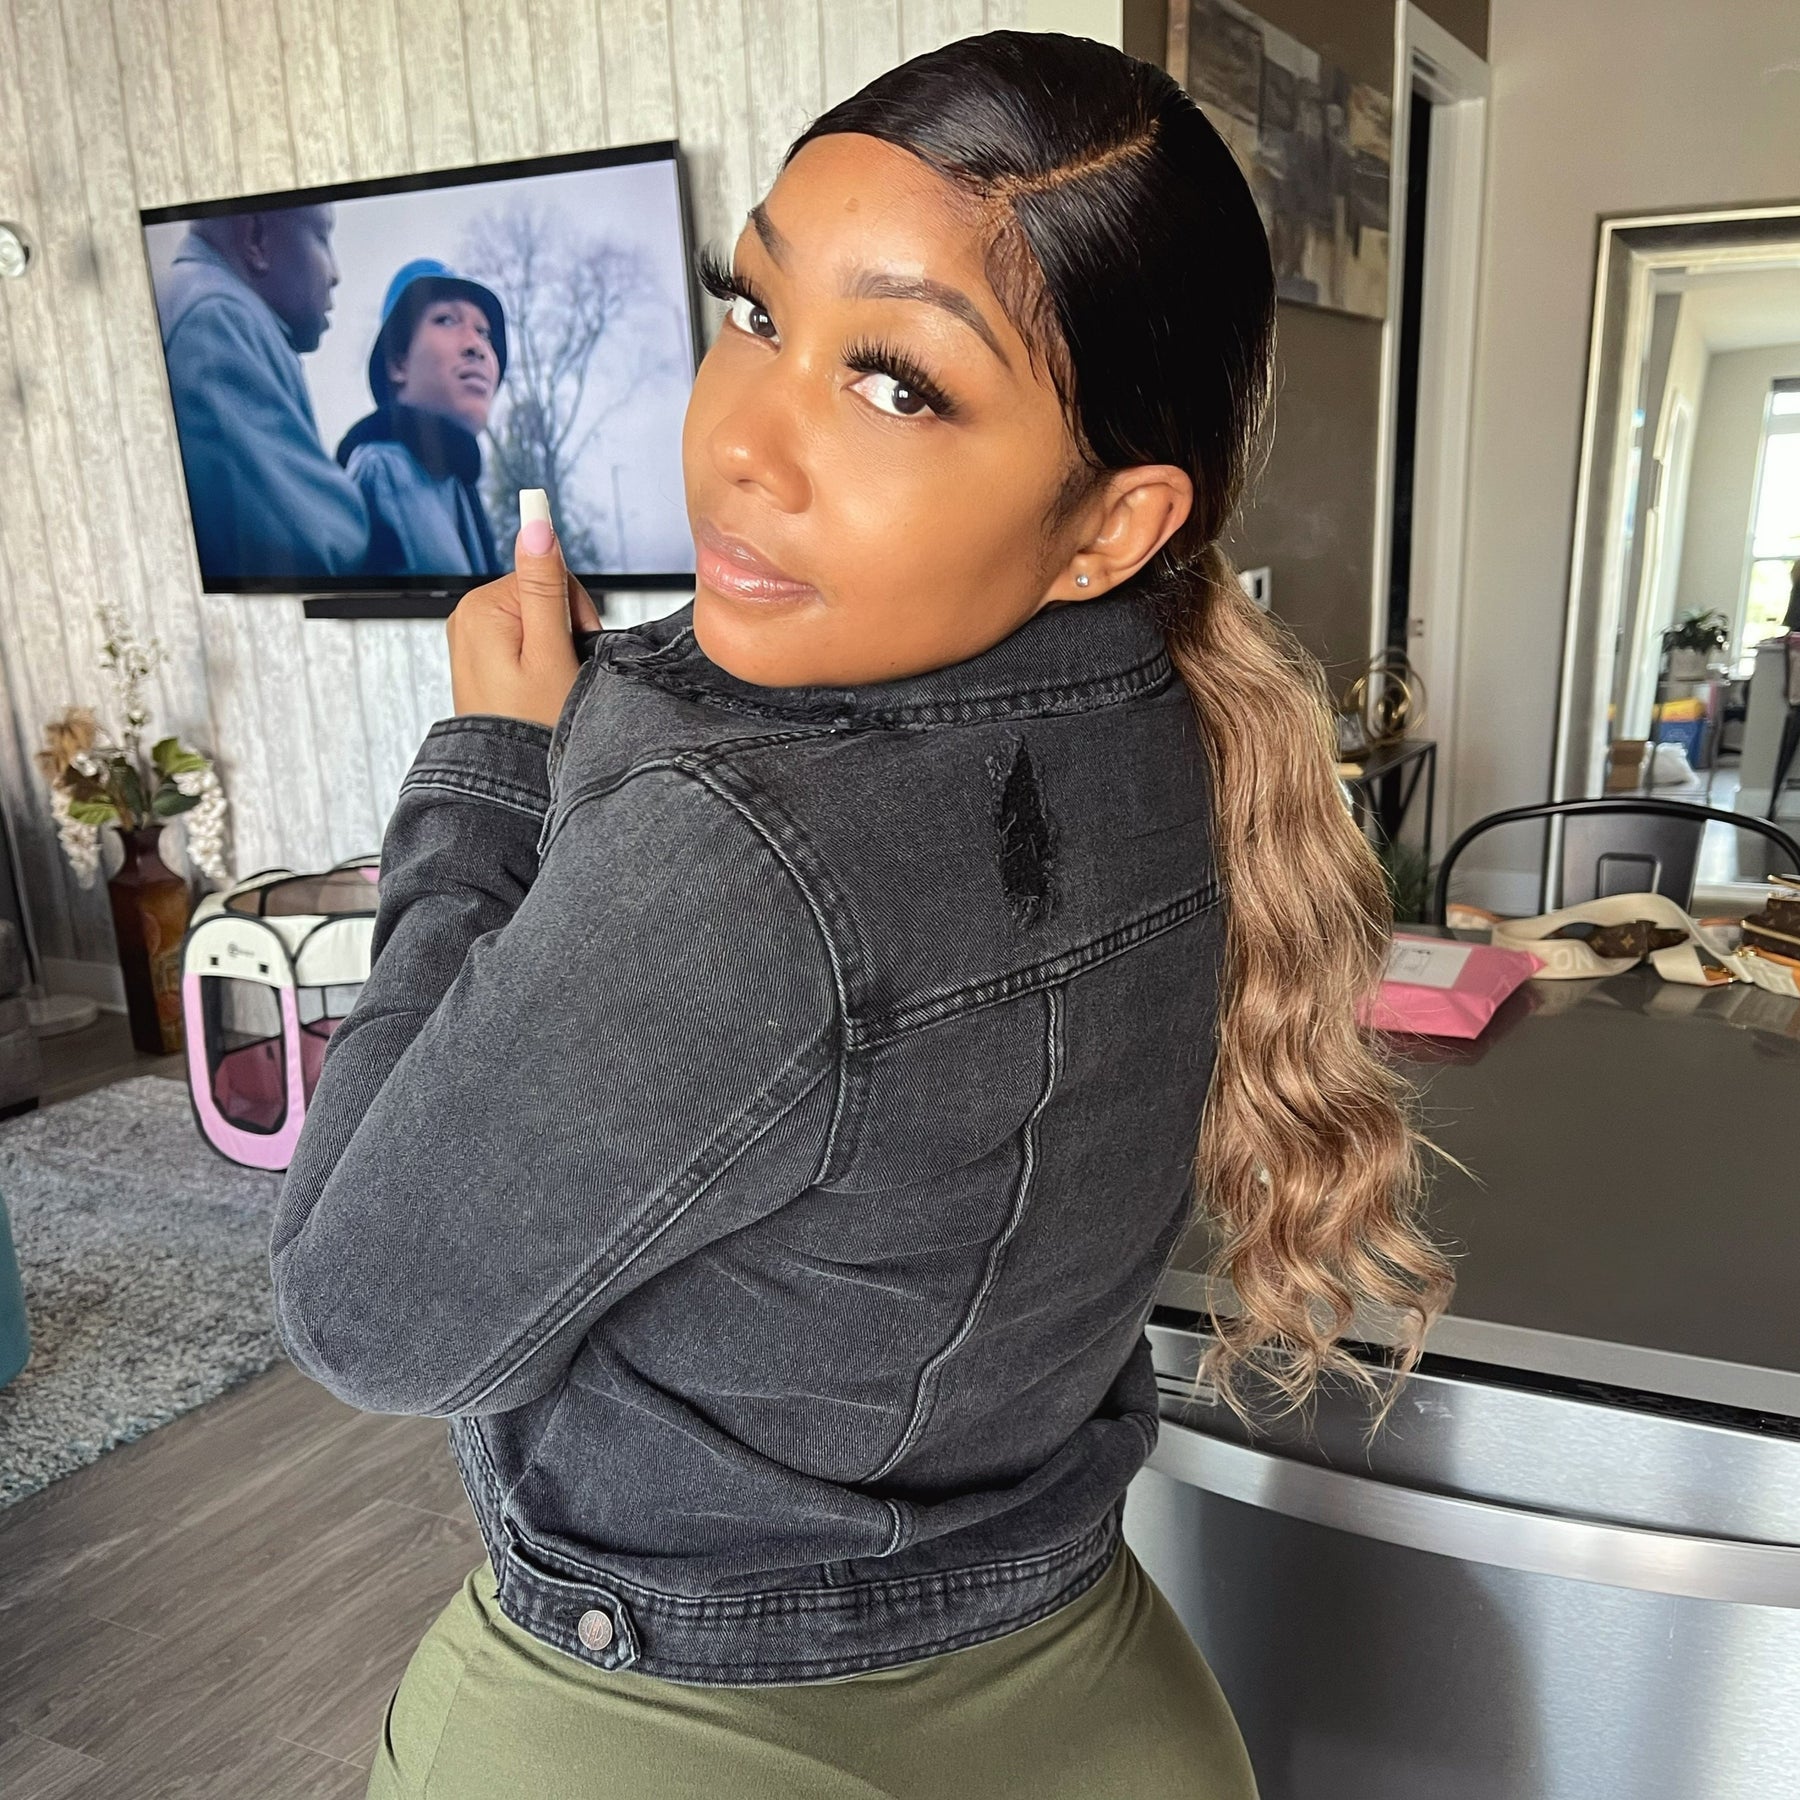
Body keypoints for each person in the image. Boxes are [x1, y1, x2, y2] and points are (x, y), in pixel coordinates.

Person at [269, 30, 1454, 1799]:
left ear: (1112, 522)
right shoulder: (1178, 721)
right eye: (755, 311)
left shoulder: (746, 857)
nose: (742, 443)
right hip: (1104, 1709)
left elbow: (365, 1311)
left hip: (672, 1734)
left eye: (897, 384)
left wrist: (491, 770)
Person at [154, 206, 370, 581]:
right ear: (256, 239)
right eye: (321, 238)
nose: (336, 274)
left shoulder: (215, 307)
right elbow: (301, 546)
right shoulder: (218, 318)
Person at [335, 259, 508, 577]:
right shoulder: (383, 471)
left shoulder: (457, 486)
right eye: (446, 320)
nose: (477, 347)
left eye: (484, 333)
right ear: (398, 364)